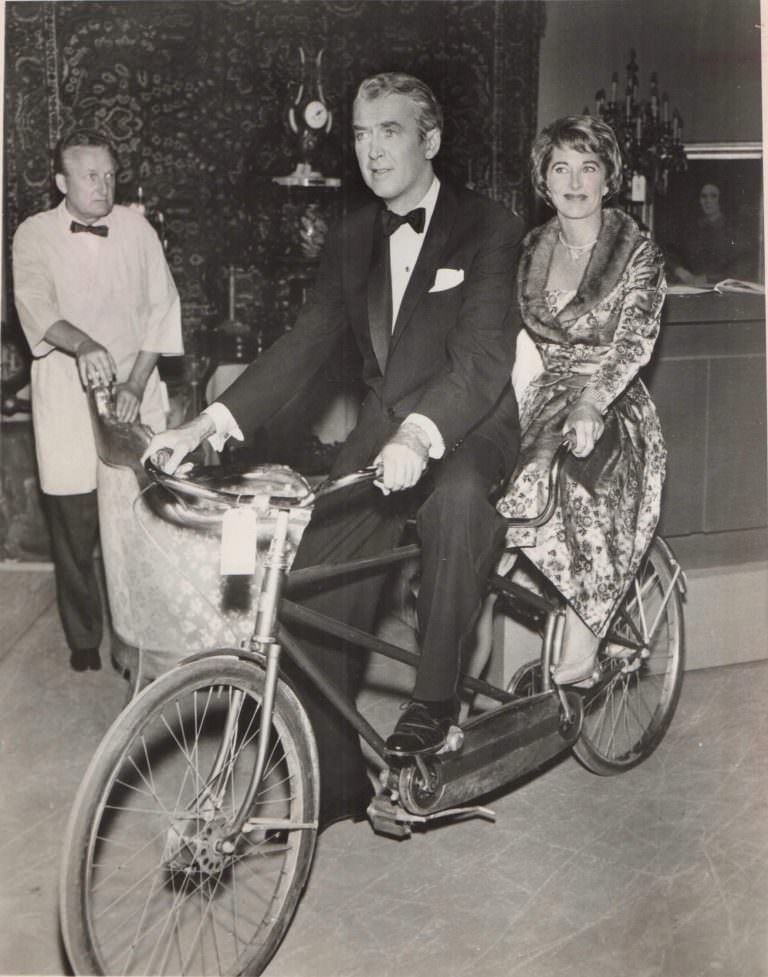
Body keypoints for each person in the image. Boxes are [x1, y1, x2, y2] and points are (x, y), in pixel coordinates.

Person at [145, 72, 523, 827]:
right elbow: (303, 346)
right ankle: (336, 778)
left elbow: (481, 360)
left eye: (389, 131)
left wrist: (424, 434)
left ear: (430, 139)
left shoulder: (490, 224)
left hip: (469, 425)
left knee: (453, 505)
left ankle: (434, 699)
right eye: (359, 132)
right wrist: (208, 423)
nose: (371, 149)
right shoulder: (353, 237)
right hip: (383, 436)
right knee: (305, 576)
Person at [496, 115, 667, 686]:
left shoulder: (636, 249)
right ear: (543, 181)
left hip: (613, 397)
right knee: (489, 485)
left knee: (577, 482)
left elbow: (636, 338)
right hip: (544, 392)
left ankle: (584, 640)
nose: (574, 182)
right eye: (560, 168)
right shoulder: (530, 251)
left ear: (607, 178)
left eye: (588, 168)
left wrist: (592, 401)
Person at [12, 128, 183, 672]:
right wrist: (84, 344)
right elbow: (35, 304)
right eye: (90, 177)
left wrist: (133, 383)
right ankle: (84, 636)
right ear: (61, 181)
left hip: (135, 387)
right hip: (65, 391)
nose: (103, 187)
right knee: (75, 519)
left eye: (110, 176)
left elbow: (163, 309)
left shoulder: (138, 230)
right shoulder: (33, 234)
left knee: (138, 517)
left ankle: (142, 638)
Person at [669, 181, 752, 286]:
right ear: (699, 200)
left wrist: (710, 278)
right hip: (692, 288)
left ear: (721, 199)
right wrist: (679, 270)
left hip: (724, 290)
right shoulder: (690, 229)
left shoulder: (733, 231)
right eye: (703, 196)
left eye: (713, 196)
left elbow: (743, 266)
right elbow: (671, 254)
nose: (708, 201)